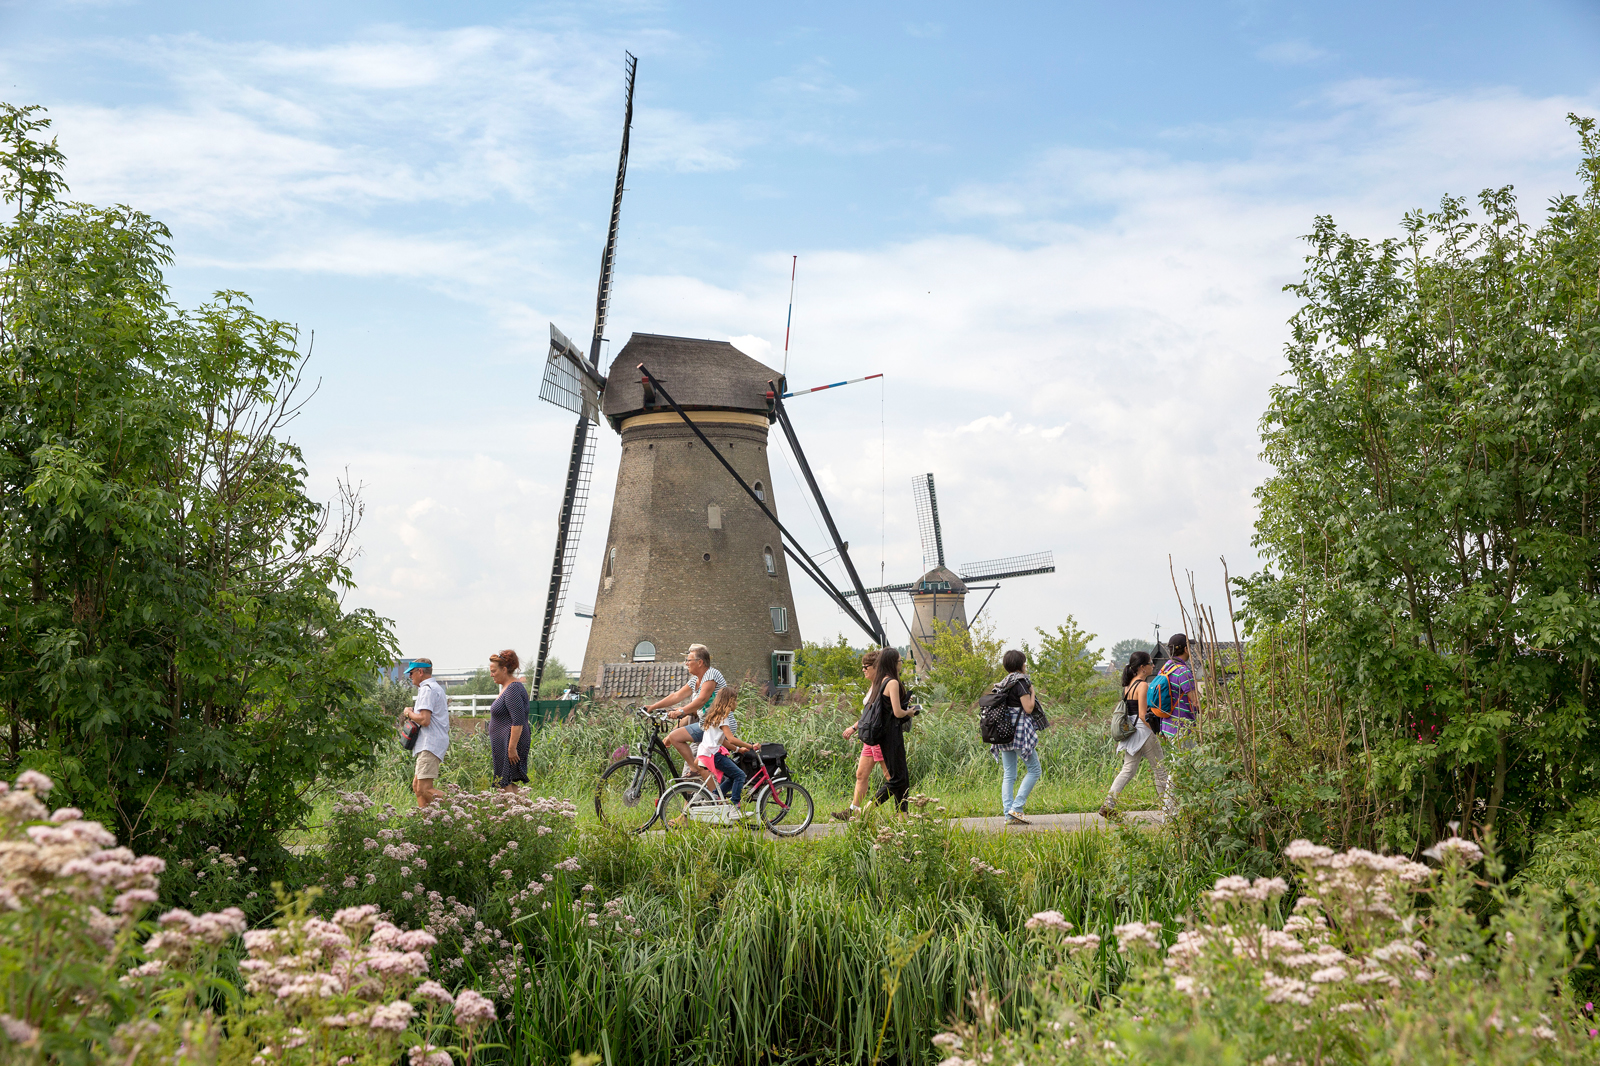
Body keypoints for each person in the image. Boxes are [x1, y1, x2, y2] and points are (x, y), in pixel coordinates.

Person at [1099, 650, 1171, 819]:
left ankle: (1108, 804)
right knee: (1160, 770)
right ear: (1142, 667)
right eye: (1151, 663)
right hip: (1143, 731)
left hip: (1131, 732)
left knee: (1128, 769)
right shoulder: (1143, 685)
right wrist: (1156, 732)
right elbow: (1142, 714)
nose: (1153, 666)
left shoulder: (1128, 686)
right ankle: (1168, 810)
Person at [645, 644, 729, 774]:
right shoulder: (695, 680)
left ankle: (697, 774)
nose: (686, 663)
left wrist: (681, 711)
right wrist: (652, 706)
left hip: (717, 727)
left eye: (688, 660)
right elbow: (677, 695)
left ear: (700, 662)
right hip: (705, 726)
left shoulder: (711, 675)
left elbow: (701, 700)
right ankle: (696, 774)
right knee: (689, 780)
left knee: (677, 738)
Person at [990, 649, 1047, 826]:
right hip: (1019, 733)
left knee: (1009, 774)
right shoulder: (1021, 683)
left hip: (1003, 732)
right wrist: (1033, 692)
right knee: (1035, 770)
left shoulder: (1003, 683)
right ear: (1020, 664)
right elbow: (1028, 708)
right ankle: (1017, 808)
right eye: (1024, 662)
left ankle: (1009, 814)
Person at [832, 649, 886, 822]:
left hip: (878, 738)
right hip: (869, 738)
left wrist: (855, 728)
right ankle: (853, 811)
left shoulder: (883, 685)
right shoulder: (872, 686)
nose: (863, 669)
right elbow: (867, 715)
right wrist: (854, 727)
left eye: (866, 666)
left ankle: (898, 810)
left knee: (891, 778)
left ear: (876, 667)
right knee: (861, 774)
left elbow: (876, 716)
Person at [693, 688, 758, 812]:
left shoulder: (715, 716)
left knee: (733, 776)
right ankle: (734, 806)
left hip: (706, 753)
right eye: (735, 701)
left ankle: (715, 795)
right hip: (714, 754)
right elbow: (731, 739)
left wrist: (738, 749)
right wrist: (751, 746)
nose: (737, 704)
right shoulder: (723, 717)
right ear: (729, 702)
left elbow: (722, 741)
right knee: (740, 775)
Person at [866, 647, 915, 813]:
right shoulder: (892, 682)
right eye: (900, 661)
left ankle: (903, 818)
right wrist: (910, 712)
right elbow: (897, 712)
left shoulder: (882, 681)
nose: (901, 664)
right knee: (897, 779)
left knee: (903, 779)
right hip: (892, 736)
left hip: (886, 736)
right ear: (893, 663)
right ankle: (865, 810)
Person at [403, 658, 449, 807]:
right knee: (417, 787)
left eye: (411, 673)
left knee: (424, 788)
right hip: (429, 742)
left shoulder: (426, 688)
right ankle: (427, 824)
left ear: (420, 672)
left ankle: (464, 807)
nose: (410, 677)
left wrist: (408, 713)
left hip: (430, 742)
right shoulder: (434, 688)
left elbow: (424, 719)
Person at [487, 649, 530, 791]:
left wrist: (511, 748)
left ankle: (516, 812)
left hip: (510, 744)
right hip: (504, 743)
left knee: (504, 784)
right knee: (506, 783)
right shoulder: (507, 688)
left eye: (494, 671)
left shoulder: (513, 689)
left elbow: (518, 721)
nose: (491, 674)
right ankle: (527, 811)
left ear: (504, 669)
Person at [1151, 632, 1199, 746]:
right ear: (1186, 649)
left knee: (1178, 761)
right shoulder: (1183, 671)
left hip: (1168, 725)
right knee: (1187, 762)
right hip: (1182, 728)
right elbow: (1195, 701)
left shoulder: (1164, 668)